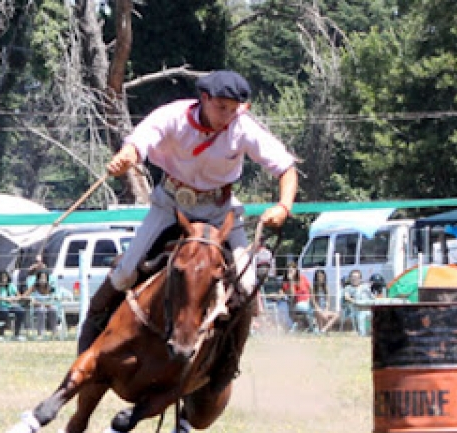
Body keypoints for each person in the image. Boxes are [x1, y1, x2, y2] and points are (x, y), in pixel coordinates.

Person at [79, 69, 298, 353]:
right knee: (124, 274)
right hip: (170, 206)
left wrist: (283, 206)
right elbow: (139, 143)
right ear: (204, 98)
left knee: (246, 284)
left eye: (233, 110)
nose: (227, 116)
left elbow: (286, 167)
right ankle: (90, 338)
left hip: (220, 212)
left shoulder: (244, 127)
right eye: (221, 107)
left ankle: (227, 360)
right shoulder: (172, 116)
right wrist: (126, 158)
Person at [0, 270, 27, 341]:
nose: (4, 280)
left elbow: (19, 296)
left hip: (11, 305)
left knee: (21, 311)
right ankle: (1, 334)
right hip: (0, 306)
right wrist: (0, 298)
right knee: (4, 312)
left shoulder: (11, 285)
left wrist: (14, 299)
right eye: (2, 278)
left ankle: (17, 334)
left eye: (5, 277)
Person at [280, 261, 317, 332]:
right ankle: (312, 327)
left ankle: (314, 328)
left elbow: (310, 289)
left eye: (292, 270)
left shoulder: (303, 278)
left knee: (314, 309)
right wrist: (291, 281)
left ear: (296, 270)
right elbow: (292, 295)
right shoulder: (286, 282)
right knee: (304, 308)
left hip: (308, 302)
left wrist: (313, 301)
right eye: (289, 271)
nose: (290, 272)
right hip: (297, 304)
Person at [23, 269, 58, 338]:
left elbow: (53, 299)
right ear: (38, 279)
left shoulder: (49, 288)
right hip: (36, 307)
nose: (42, 280)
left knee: (53, 310)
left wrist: (46, 303)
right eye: (41, 278)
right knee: (41, 310)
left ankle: (54, 332)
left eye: (44, 278)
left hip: (47, 306)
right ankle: (40, 333)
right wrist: (31, 299)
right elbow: (24, 296)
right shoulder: (34, 287)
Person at [341, 269, 373, 336]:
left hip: (367, 308)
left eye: (357, 278)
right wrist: (356, 302)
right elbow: (347, 297)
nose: (354, 279)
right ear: (349, 278)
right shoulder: (348, 288)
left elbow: (372, 297)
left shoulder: (365, 287)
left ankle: (370, 333)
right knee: (360, 315)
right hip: (356, 309)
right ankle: (362, 334)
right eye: (353, 277)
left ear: (360, 279)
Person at [311, 268, 340, 333]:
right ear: (316, 278)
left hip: (324, 309)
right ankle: (322, 329)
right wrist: (320, 310)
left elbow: (328, 301)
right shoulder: (313, 288)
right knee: (321, 315)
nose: (320, 278)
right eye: (318, 276)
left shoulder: (326, 288)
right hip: (316, 309)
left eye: (322, 276)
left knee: (336, 315)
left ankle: (323, 329)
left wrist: (326, 310)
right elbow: (313, 302)